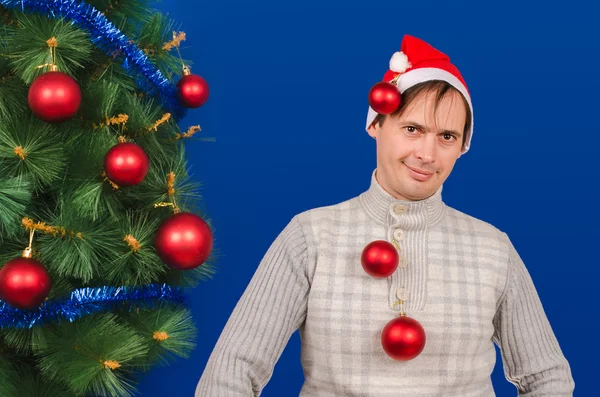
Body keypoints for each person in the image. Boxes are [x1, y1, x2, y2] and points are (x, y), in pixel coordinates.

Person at [195, 35, 575, 396]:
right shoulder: (310, 236)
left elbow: (548, 378)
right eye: (412, 128)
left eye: (447, 137)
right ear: (376, 124)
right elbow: (230, 372)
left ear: (462, 147)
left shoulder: (493, 248)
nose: (427, 153)